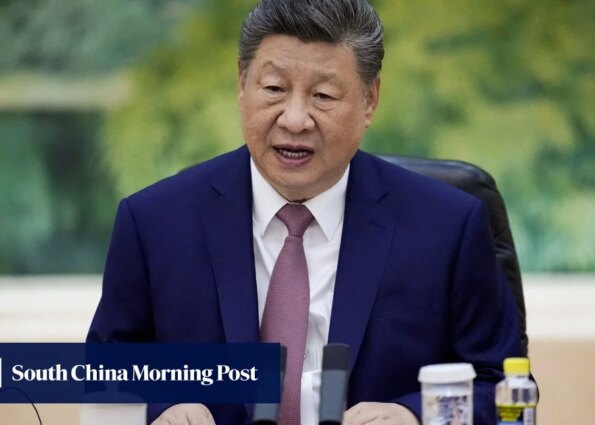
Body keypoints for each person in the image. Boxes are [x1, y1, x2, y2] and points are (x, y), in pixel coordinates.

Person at [87, 0, 524, 424]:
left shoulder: (446, 227)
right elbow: (104, 375)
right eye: (274, 89)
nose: (295, 120)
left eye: (323, 95)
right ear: (242, 85)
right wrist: (159, 409)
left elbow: (504, 391)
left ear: (369, 100)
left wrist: (414, 415)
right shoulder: (155, 223)